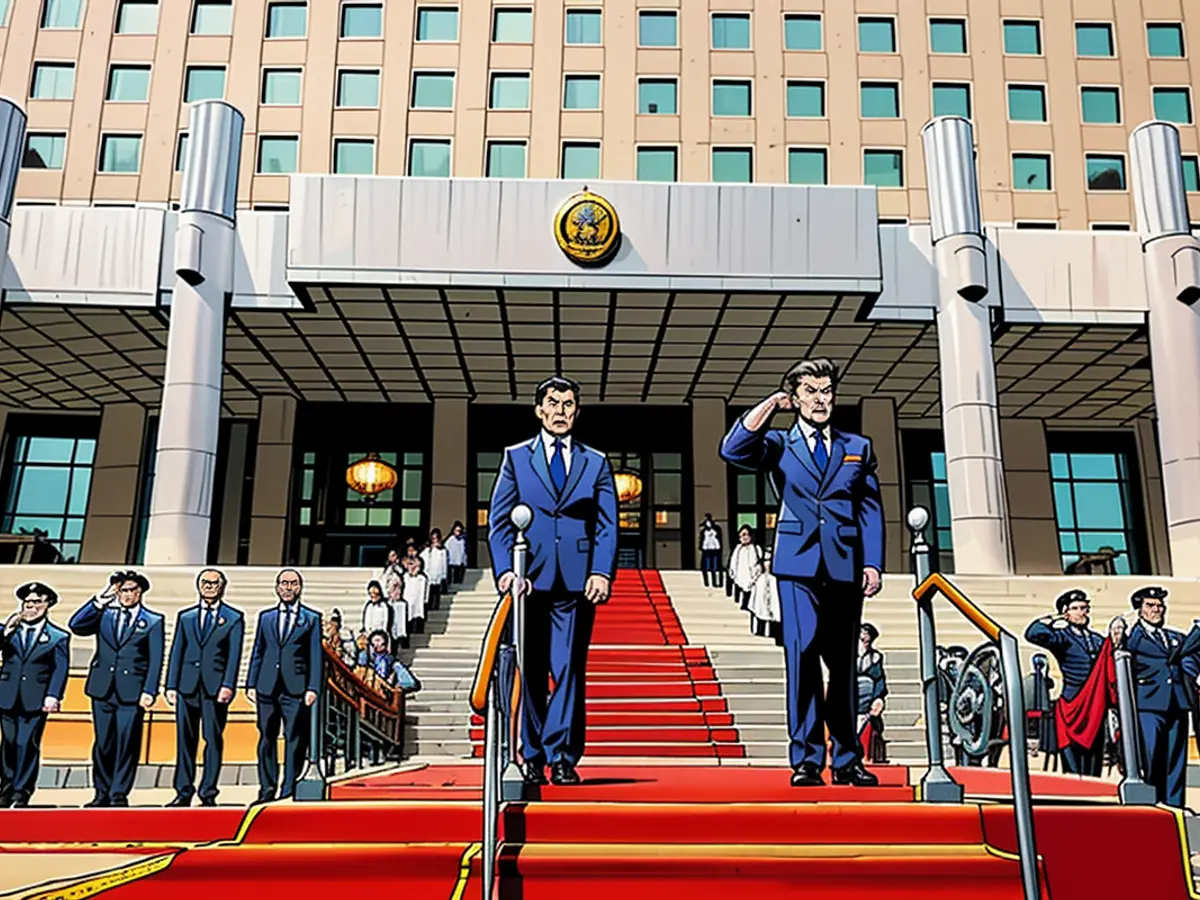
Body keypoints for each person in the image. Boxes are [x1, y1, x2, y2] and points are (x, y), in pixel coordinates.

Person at [720, 358, 884, 788]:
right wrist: (773, 403)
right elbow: (733, 450)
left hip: (846, 566)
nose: (821, 400)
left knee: (844, 667)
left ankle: (847, 759)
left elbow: (869, 509)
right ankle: (807, 759)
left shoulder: (857, 446)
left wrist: (873, 562)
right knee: (803, 658)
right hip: (796, 566)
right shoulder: (778, 444)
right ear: (796, 399)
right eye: (810, 392)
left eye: (827, 391)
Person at [488, 375, 618, 786]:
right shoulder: (516, 457)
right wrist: (506, 571)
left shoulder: (595, 461)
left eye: (568, 405)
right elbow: (498, 522)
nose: (561, 412)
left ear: (577, 412)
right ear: (539, 410)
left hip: (576, 582)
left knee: (568, 669)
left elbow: (607, 525)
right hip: (529, 582)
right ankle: (531, 755)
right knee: (530, 670)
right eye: (553, 404)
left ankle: (561, 756)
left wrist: (601, 571)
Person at [68, 571, 165, 807]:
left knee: (126, 742)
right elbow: (76, 625)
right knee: (103, 742)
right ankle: (101, 792)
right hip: (102, 688)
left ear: (140, 591)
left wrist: (150, 690)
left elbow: (156, 658)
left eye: (131, 590)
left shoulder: (152, 620)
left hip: (132, 690)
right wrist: (100, 599)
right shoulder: (105, 614)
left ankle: (119, 793)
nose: (126, 595)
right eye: (122, 590)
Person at [164, 568, 244, 807]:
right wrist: (171, 685)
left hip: (214, 688)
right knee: (185, 740)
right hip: (187, 686)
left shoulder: (233, 617)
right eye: (205, 583)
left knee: (212, 738)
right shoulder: (186, 616)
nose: (209, 587)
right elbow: (177, 651)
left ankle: (208, 791)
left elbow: (234, 655)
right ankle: (183, 791)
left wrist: (228, 684)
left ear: (222, 586)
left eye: (214, 583)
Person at [1116, 586, 1200, 807]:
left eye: (1160, 605)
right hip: (1148, 705)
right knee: (1150, 758)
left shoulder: (1175, 637)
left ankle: (1174, 807)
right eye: (1150, 605)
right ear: (1139, 610)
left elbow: (1190, 656)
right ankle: (1151, 805)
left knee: (1175, 761)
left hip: (1177, 704)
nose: (1157, 609)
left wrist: (1189, 671)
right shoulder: (1132, 638)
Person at [246, 569, 322, 803]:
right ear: (277, 587)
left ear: (300, 588)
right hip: (266, 687)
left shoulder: (311, 618)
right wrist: (251, 682)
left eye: (293, 583)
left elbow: (315, 656)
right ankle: (266, 788)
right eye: (284, 583)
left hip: (296, 688)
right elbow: (258, 650)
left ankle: (288, 787)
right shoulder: (266, 617)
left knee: (294, 738)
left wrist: (313, 687)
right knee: (266, 737)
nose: (288, 587)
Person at [1023, 589, 1110, 776]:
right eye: (1076, 608)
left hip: (1094, 706)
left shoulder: (1096, 639)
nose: (1082, 612)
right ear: (1066, 613)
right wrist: (1053, 619)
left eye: (1084, 608)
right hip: (1072, 705)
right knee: (1073, 763)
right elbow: (1032, 633)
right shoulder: (1062, 638)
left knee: (1094, 762)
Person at [0, 582, 69, 808]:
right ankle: (6, 788)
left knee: (26, 743)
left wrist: (53, 695)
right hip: (8, 695)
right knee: (8, 743)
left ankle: (22, 791)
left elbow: (60, 668)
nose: (31, 607)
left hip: (35, 698)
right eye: (28, 602)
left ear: (47, 604)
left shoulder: (57, 636)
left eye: (37, 602)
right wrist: (7, 631)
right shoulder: (9, 630)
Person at [857, 623, 888, 764]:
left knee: (870, 724)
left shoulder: (876, 658)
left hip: (868, 699)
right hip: (850, 698)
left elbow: (879, 679)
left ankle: (867, 755)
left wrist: (878, 698)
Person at [357, 630, 422, 694]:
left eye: (378, 640)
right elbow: (360, 668)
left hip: (384, 690)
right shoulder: (367, 656)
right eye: (374, 641)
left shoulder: (391, 660)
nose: (376, 644)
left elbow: (408, 681)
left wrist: (397, 686)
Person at [362, 579, 406, 653]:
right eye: (371, 594)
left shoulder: (385, 606)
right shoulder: (369, 606)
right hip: (371, 635)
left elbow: (387, 621)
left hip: (383, 635)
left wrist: (383, 635)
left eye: (375, 593)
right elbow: (366, 620)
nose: (373, 596)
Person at [748, 549, 781, 641]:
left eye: (769, 560)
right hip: (762, 586)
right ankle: (759, 630)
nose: (768, 563)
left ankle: (774, 632)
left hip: (772, 585)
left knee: (775, 609)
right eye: (766, 561)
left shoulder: (775, 578)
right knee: (760, 608)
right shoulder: (760, 576)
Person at [727, 525, 763, 610]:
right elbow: (733, 563)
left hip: (753, 581)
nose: (743, 537)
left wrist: (754, 577)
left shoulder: (756, 548)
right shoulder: (738, 549)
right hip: (739, 579)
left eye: (745, 534)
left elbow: (758, 564)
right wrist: (732, 574)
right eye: (741, 535)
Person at [421, 529, 449, 611]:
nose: (435, 540)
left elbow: (444, 563)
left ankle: (436, 605)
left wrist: (444, 575)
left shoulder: (442, 550)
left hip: (438, 572)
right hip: (429, 572)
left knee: (436, 590)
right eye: (433, 538)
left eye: (436, 538)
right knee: (429, 591)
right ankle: (429, 605)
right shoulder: (427, 549)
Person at [403, 556, 429, 634]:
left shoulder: (422, 578)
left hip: (418, 602)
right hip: (407, 601)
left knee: (418, 615)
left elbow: (425, 593)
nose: (413, 567)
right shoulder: (405, 576)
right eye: (411, 564)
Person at [698, 514, 724, 588]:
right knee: (706, 566)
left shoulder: (716, 529)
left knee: (715, 567)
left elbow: (719, 538)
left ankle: (715, 583)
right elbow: (701, 539)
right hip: (706, 549)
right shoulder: (703, 531)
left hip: (715, 548)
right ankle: (707, 583)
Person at [446, 521, 468, 588]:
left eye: (459, 531)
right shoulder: (450, 540)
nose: (458, 532)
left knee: (459, 579)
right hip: (451, 562)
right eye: (456, 530)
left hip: (460, 562)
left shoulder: (463, 540)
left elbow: (464, 551)